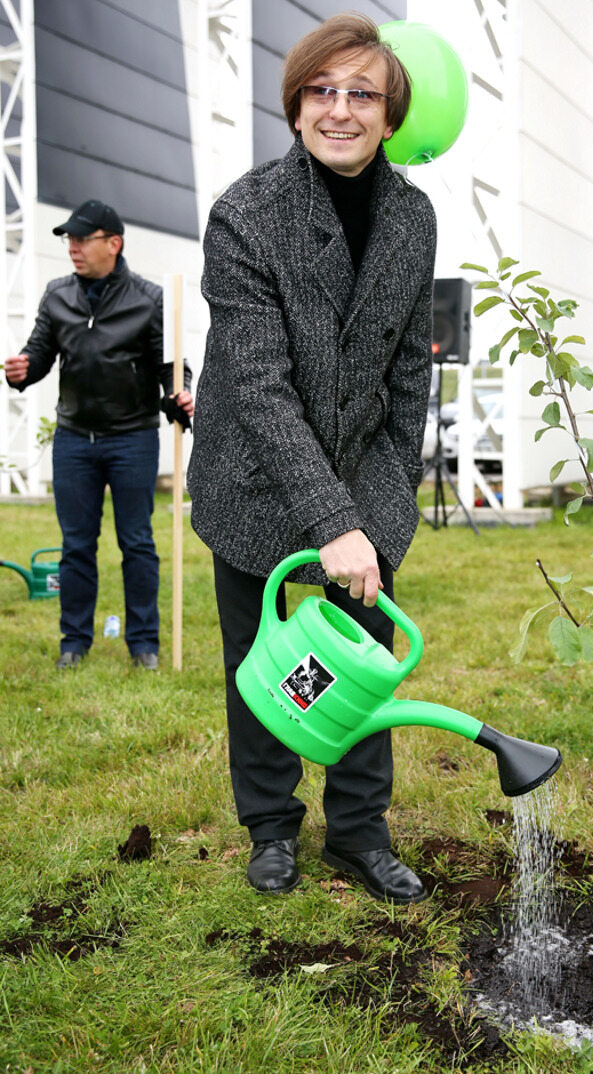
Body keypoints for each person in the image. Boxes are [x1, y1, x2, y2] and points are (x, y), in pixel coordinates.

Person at [187, 14, 436, 903]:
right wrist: (330, 522)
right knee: (259, 657)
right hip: (251, 471)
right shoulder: (245, 214)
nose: (340, 110)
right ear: (295, 110)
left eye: (360, 94)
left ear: (389, 114)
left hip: (362, 468)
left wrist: (383, 504)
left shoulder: (413, 218)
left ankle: (359, 833)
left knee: (366, 657)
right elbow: (257, 387)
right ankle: (270, 829)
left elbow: (409, 372)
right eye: (321, 93)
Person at [4, 200, 193, 670]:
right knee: (76, 546)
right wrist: (20, 372)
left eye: (81, 239)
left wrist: (181, 393)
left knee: (137, 542)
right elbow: (39, 356)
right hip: (74, 440)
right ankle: (74, 642)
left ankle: (144, 645)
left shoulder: (148, 299)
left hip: (132, 439)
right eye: (68, 239)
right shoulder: (57, 296)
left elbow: (170, 367)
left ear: (114, 242)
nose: (72, 248)